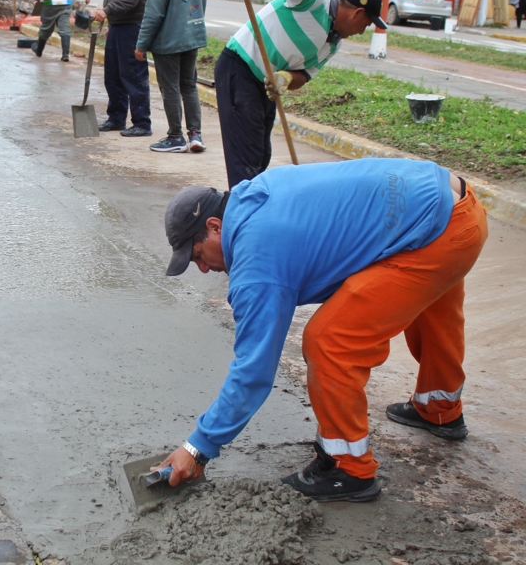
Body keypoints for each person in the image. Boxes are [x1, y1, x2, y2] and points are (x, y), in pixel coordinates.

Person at [156, 157, 487, 502]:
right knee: (434, 304)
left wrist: (198, 448)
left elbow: (253, 371)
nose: (204, 269)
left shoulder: (257, 261)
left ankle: (348, 468)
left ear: (214, 226)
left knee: (329, 341)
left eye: (197, 256)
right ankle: (440, 407)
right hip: (453, 207)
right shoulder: (254, 195)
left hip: (436, 230)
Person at [217, 0, 387, 188]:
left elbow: (304, 75)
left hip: (265, 84)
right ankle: (241, 214)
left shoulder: (333, 44)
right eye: (366, 25)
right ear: (357, 13)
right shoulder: (314, 0)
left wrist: (286, 79)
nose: (361, 32)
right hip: (240, 67)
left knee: (260, 155)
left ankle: (252, 208)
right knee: (245, 156)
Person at [136, 0, 208, 154]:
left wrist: (141, 44)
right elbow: (201, 2)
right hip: (192, 36)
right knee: (189, 85)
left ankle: (175, 137)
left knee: (170, 89)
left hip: (168, 41)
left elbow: (154, 12)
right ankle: (195, 135)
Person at [91, 0, 155, 137]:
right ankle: (116, 118)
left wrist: (107, 11)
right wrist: (110, 22)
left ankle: (142, 123)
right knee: (114, 76)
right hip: (118, 26)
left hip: (133, 26)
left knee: (133, 76)